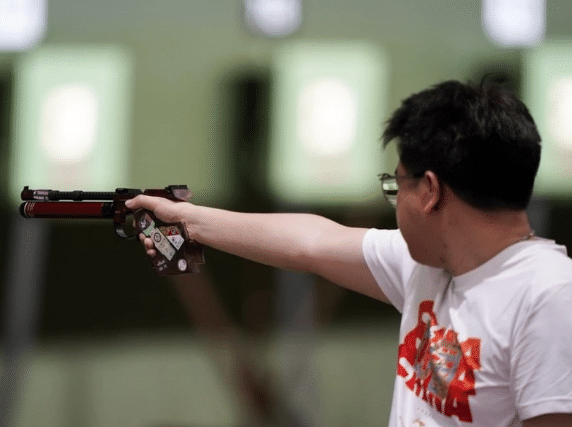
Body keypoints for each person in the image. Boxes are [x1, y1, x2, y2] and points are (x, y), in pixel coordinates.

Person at [126, 80, 572, 427]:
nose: (394, 203)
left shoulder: (549, 296)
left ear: (430, 192)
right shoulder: (429, 265)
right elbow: (311, 242)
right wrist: (188, 219)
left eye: (396, 186)